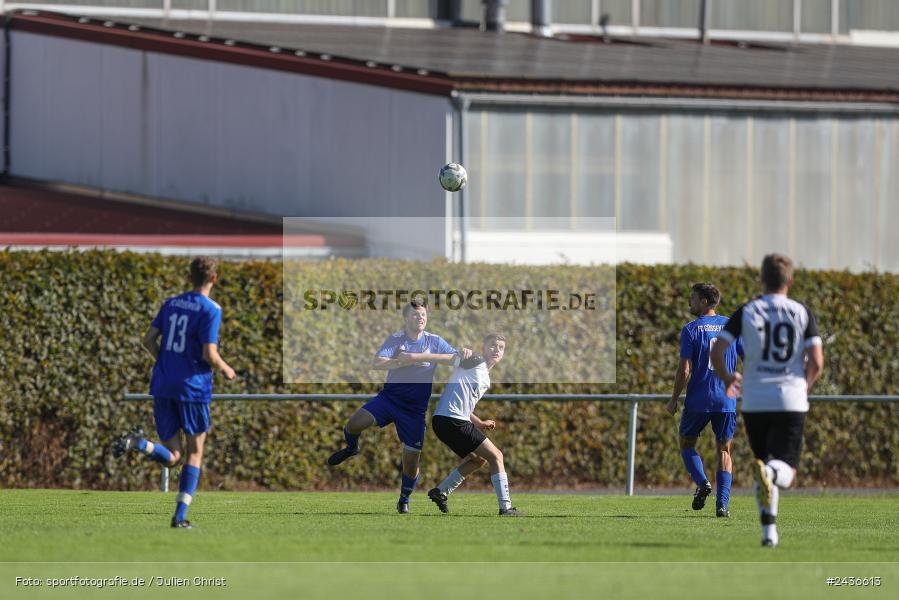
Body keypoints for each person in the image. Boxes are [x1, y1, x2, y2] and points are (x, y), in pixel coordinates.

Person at [112, 256, 236, 528]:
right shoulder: (211, 309)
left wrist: (165, 362)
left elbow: (147, 340)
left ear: (190, 277)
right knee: (195, 452)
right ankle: (180, 517)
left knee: (174, 457)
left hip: (163, 384)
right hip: (192, 387)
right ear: (214, 279)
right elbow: (209, 353)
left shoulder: (170, 304)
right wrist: (226, 369)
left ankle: (140, 444)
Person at [711, 254, 824, 547]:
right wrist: (805, 386)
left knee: (763, 465)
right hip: (790, 398)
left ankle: (768, 534)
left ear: (762, 279)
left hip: (755, 399)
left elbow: (718, 350)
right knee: (783, 472)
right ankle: (773, 472)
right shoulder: (801, 312)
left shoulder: (748, 310)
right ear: (791, 280)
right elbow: (817, 361)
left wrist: (727, 378)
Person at [327, 298, 468, 514]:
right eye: (414, 314)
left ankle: (404, 499)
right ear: (405, 318)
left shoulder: (434, 340)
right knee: (353, 424)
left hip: (414, 411)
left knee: (411, 464)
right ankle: (352, 448)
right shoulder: (396, 340)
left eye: (423, 314)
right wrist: (401, 361)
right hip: (389, 399)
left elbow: (455, 357)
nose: (419, 318)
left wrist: (463, 351)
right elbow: (377, 363)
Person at [666, 283, 743, 517]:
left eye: (693, 298)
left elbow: (685, 370)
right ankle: (722, 505)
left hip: (699, 400)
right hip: (726, 401)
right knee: (724, 450)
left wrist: (674, 398)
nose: (689, 302)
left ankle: (702, 483)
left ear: (703, 302)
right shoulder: (732, 327)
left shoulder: (691, 330)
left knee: (687, 444)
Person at [428, 333, 521, 516]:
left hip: (446, 421)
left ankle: (440, 492)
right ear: (483, 347)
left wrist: (478, 422)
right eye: (493, 345)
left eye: (501, 347)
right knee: (497, 456)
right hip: (451, 420)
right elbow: (449, 358)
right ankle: (505, 508)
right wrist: (460, 351)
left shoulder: (486, 377)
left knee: (478, 460)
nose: (497, 350)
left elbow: (465, 405)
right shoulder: (475, 360)